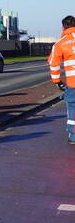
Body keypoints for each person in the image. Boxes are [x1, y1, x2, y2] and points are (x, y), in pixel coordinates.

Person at [47, 15, 75, 144]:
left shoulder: (60, 44)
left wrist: (57, 81)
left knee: (72, 108)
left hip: (72, 83)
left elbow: (53, 63)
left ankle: (73, 135)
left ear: (63, 27)